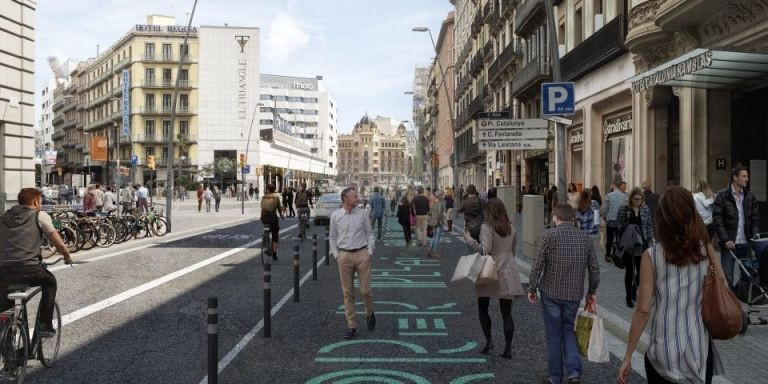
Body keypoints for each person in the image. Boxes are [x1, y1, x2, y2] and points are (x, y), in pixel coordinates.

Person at [618, 187, 722, 384]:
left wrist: (628, 356)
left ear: (662, 218)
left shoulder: (652, 256)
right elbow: (721, 283)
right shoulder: (706, 249)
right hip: (699, 349)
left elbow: (642, 310)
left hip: (663, 351)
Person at [528, 204, 600, 384]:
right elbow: (595, 270)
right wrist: (591, 291)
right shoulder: (585, 238)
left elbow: (537, 266)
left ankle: (555, 378)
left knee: (553, 335)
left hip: (550, 292)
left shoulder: (548, 236)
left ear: (555, 218)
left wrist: (532, 288)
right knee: (568, 330)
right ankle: (574, 373)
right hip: (574, 295)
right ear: (573, 218)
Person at [0, 188, 73, 337]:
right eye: (40, 201)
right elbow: (58, 242)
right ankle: (44, 325)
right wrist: (67, 256)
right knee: (50, 282)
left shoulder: (4, 217)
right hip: (29, 269)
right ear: (35, 201)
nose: (41, 204)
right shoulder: (39, 215)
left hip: (4, 270)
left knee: (6, 306)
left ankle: (7, 342)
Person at [464, 198, 524, 359]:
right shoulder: (511, 227)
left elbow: (485, 250)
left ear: (488, 212)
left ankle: (489, 341)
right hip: (507, 270)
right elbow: (513, 250)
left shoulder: (486, 227)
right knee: (507, 313)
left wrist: (469, 240)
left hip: (489, 270)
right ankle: (508, 349)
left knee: (483, 307)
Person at [329, 187, 376, 339]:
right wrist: (337, 255)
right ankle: (352, 325)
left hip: (362, 254)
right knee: (347, 293)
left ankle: (370, 313)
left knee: (365, 290)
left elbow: (370, 234)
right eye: (354, 196)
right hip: (344, 256)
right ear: (346, 199)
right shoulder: (336, 216)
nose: (358, 198)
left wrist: (369, 252)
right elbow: (332, 237)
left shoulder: (362, 214)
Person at [712, 165, 760, 287]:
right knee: (727, 278)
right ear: (735, 177)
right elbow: (717, 220)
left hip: (746, 244)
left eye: (747, 176)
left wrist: (754, 237)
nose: (747, 179)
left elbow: (755, 219)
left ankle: (742, 303)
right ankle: (728, 305)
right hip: (729, 245)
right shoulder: (722, 196)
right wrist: (725, 239)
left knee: (748, 277)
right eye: (744, 176)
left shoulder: (750, 197)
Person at [617, 187, 654, 308]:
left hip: (642, 244)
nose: (637, 201)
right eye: (635, 199)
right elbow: (620, 226)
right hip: (629, 244)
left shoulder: (645, 209)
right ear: (631, 198)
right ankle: (628, 296)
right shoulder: (624, 209)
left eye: (639, 199)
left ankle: (634, 288)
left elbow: (648, 226)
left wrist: (650, 241)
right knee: (629, 271)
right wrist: (619, 242)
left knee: (641, 271)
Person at [603, 181, 628, 263]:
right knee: (618, 238)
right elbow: (626, 209)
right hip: (620, 221)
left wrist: (605, 217)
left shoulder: (609, 195)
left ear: (613, 186)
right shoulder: (624, 196)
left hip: (611, 220)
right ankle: (615, 254)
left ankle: (608, 255)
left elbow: (605, 208)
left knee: (609, 239)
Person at [260, 184, 284, 260]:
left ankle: (265, 238)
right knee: (275, 234)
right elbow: (279, 208)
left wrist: (261, 217)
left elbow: (262, 208)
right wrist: (281, 215)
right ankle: (274, 254)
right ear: (274, 189)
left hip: (264, 218)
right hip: (273, 218)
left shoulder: (264, 197)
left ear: (267, 189)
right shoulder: (276, 197)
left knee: (266, 228)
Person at [427, 189, 445, 258]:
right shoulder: (440, 203)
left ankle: (430, 250)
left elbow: (430, 212)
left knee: (434, 236)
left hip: (433, 221)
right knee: (437, 237)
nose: (442, 196)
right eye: (442, 195)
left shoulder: (433, 202)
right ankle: (434, 252)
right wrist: (442, 220)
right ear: (439, 196)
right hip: (438, 222)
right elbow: (440, 214)